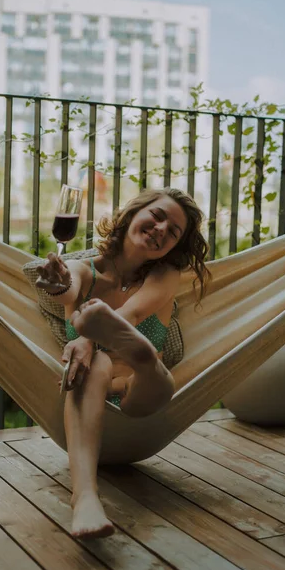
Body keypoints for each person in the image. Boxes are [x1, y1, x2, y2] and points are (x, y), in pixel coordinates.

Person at [35, 187, 211, 539]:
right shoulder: (84, 270)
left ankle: (141, 355)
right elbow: (69, 285)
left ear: (175, 247)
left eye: (173, 231)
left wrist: (85, 336)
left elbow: (131, 312)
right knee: (96, 362)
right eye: (158, 216)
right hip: (88, 393)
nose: (162, 228)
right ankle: (84, 497)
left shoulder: (163, 276)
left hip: (141, 396)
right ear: (133, 213)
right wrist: (58, 285)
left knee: (146, 366)